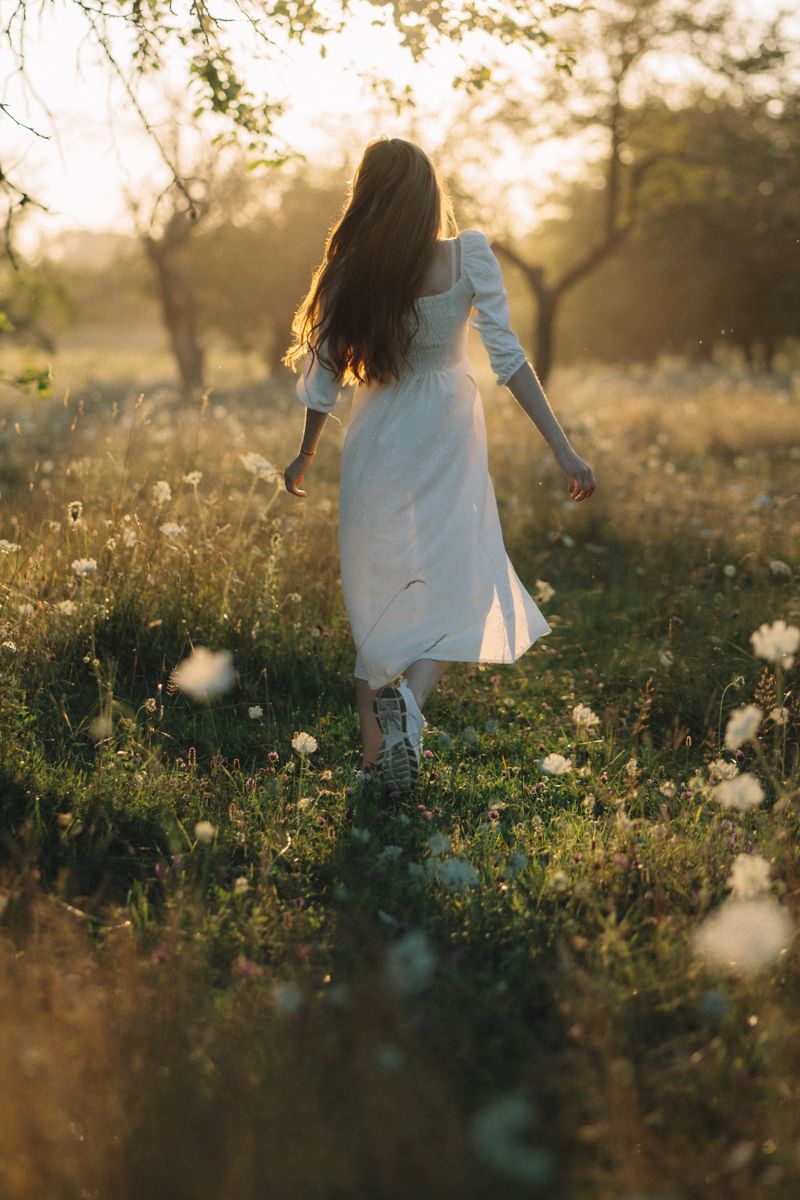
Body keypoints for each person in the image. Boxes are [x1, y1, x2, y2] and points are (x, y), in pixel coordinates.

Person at [283, 136, 596, 794]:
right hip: (447, 432)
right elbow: (508, 360)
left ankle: (377, 770)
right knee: (462, 581)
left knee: (378, 600)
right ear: (430, 192)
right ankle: (409, 717)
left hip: (378, 439)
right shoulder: (466, 255)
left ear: (366, 195)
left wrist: (305, 455)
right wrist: (563, 449)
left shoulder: (350, 271)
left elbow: (324, 381)